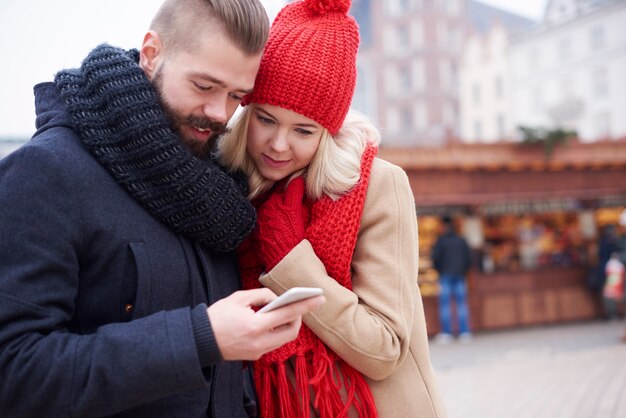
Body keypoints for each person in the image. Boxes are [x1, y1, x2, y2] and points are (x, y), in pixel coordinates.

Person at [0, 0, 325, 416]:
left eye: (236, 96)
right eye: (204, 87)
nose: (219, 113)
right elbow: (14, 372)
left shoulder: (219, 185)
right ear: (152, 54)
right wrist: (199, 338)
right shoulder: (46, 172)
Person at [218, 0, 447, 416]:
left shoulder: (376, 186)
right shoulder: (225, 190)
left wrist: (291, 263)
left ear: (329, 131)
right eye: (266, 120)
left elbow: (384, 348)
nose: (279, 144)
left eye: (303, 130)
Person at [431, 215, 473, 344]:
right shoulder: (461, 240)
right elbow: (469, 259)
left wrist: (440, 271)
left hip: (445, 276)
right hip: (460, 276)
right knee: (462, 305)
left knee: (445, 305)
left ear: (443, 226)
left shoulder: (441, 241)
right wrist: (463, 270)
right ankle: (464, 332)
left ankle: (447, 333)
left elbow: (435, 259)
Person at [602, 252, 625, 320]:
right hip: (617, 284)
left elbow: (606, 274)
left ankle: (613, 314)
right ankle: (617, 314)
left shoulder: (609, 264)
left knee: (612, 300)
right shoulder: (619, 265)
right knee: (618, 300)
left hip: (611, 284)